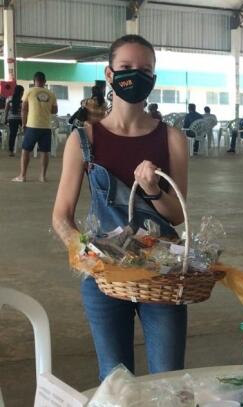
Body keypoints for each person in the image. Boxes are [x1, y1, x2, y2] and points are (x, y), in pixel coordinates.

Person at [52, 34, 189, 381]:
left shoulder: (171, 138)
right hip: (105, 277)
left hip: (162, 275)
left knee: (168, 379)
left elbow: (177, 216)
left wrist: (153, 190)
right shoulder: (84, 139)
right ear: (110, 74)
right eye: (126, 67)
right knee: (115, 381)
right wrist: (83, 250)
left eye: (145, 69)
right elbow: (61, 215)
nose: (135, 75)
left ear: (153, 80)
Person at [12, 72, 58, 182]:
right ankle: (42, 176)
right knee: (44, 151)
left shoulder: (29, 91)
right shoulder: (51, 94)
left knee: (26, 150)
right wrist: (44, 107)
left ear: (34, 81)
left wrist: (23, 123)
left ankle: (22, 176)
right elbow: (55, 110)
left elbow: (24, 109)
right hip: (46, 126)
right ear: (45, 81)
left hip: (32, 125)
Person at [4, 84, 24, 157]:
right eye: (22, 92)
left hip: (11, 119)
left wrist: (5, 119)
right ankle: (28, 148)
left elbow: (6, 110)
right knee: (27, 132)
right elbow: (23, 112)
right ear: (21, 92)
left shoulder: (9, 99)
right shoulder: (22, 101)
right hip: (20, 119)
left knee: (12, 134)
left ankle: (11, 151)